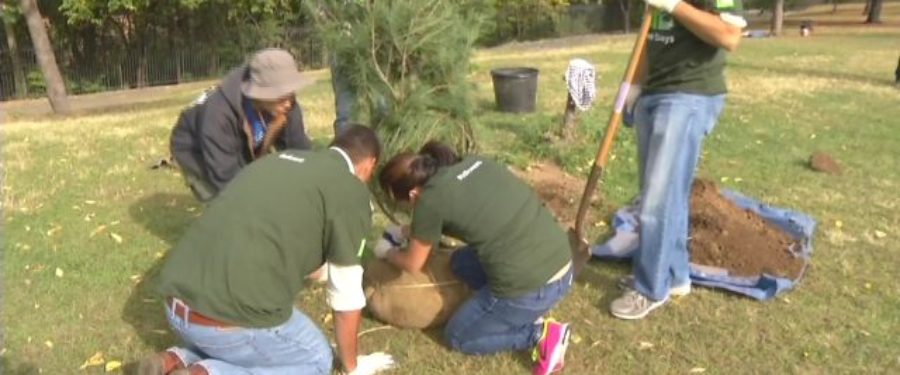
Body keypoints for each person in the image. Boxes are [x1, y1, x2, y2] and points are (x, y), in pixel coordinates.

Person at [138, 125, 394, 375]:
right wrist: (352, 367)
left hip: (175, 306)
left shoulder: (277, 160)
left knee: (251, 344)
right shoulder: (350, 192)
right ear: (370, 164)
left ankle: (174, 360)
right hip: (223, 323)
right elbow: (346, 298)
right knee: (317, 360)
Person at [375, 141, 574, 375]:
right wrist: (407, 231)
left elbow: (412, 263)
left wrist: (387, 252)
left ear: (412, 193)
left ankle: (539, 334)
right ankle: (513, 312)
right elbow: (470, 213)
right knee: (460, 263)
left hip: (531, 286)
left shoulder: (430, 200)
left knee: (459, 337)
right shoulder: (476, 163)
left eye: (403, 203)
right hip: (561, 260)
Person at [610, 0, 747, 320]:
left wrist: (674, 4)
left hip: (688, 95)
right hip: (654, 92)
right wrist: (632, 85)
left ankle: (649, 288)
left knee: (658, 199)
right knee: (662, 193)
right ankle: (674, 275)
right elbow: (649, 34)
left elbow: (729, 36)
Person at [170, 48, 312, 202]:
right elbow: (226, 179)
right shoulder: (218, 115)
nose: (289, 103)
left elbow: (300, 152)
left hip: (241, 137)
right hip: (194, 148)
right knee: (224, 202)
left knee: (259, 181)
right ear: (259, 93)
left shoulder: (286, 103)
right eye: (281, 96)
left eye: (291, 94)